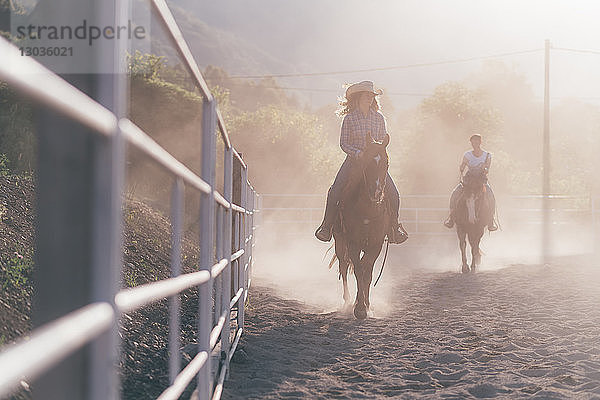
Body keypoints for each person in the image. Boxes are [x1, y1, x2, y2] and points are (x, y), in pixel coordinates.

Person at [315, 80, 408, 243]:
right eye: (367, 96)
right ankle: (326, 226)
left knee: (393, 194)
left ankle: (394, 227)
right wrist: (358, 153)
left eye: (371, 96)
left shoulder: (379, 118)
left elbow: (381, 139)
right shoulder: (350, 119)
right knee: (336, 189)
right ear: (358, 98)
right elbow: (344, 143)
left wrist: (374, 152)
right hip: (354, 161)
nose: (370, 99)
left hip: (374, 163)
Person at [444, 134, 498, 231]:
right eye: (473, 141)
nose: (475, 143)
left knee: (491, 196)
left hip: (481, 181)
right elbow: (463, 165)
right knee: (455, 193)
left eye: (477, 141)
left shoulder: (487, 155)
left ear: (480, 142)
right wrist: (462, 167)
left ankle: (491, 221)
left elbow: (487, 169)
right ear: (471, 143)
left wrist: (484, 168)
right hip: (469, 180)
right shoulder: (467, 154)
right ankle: (451, 218)